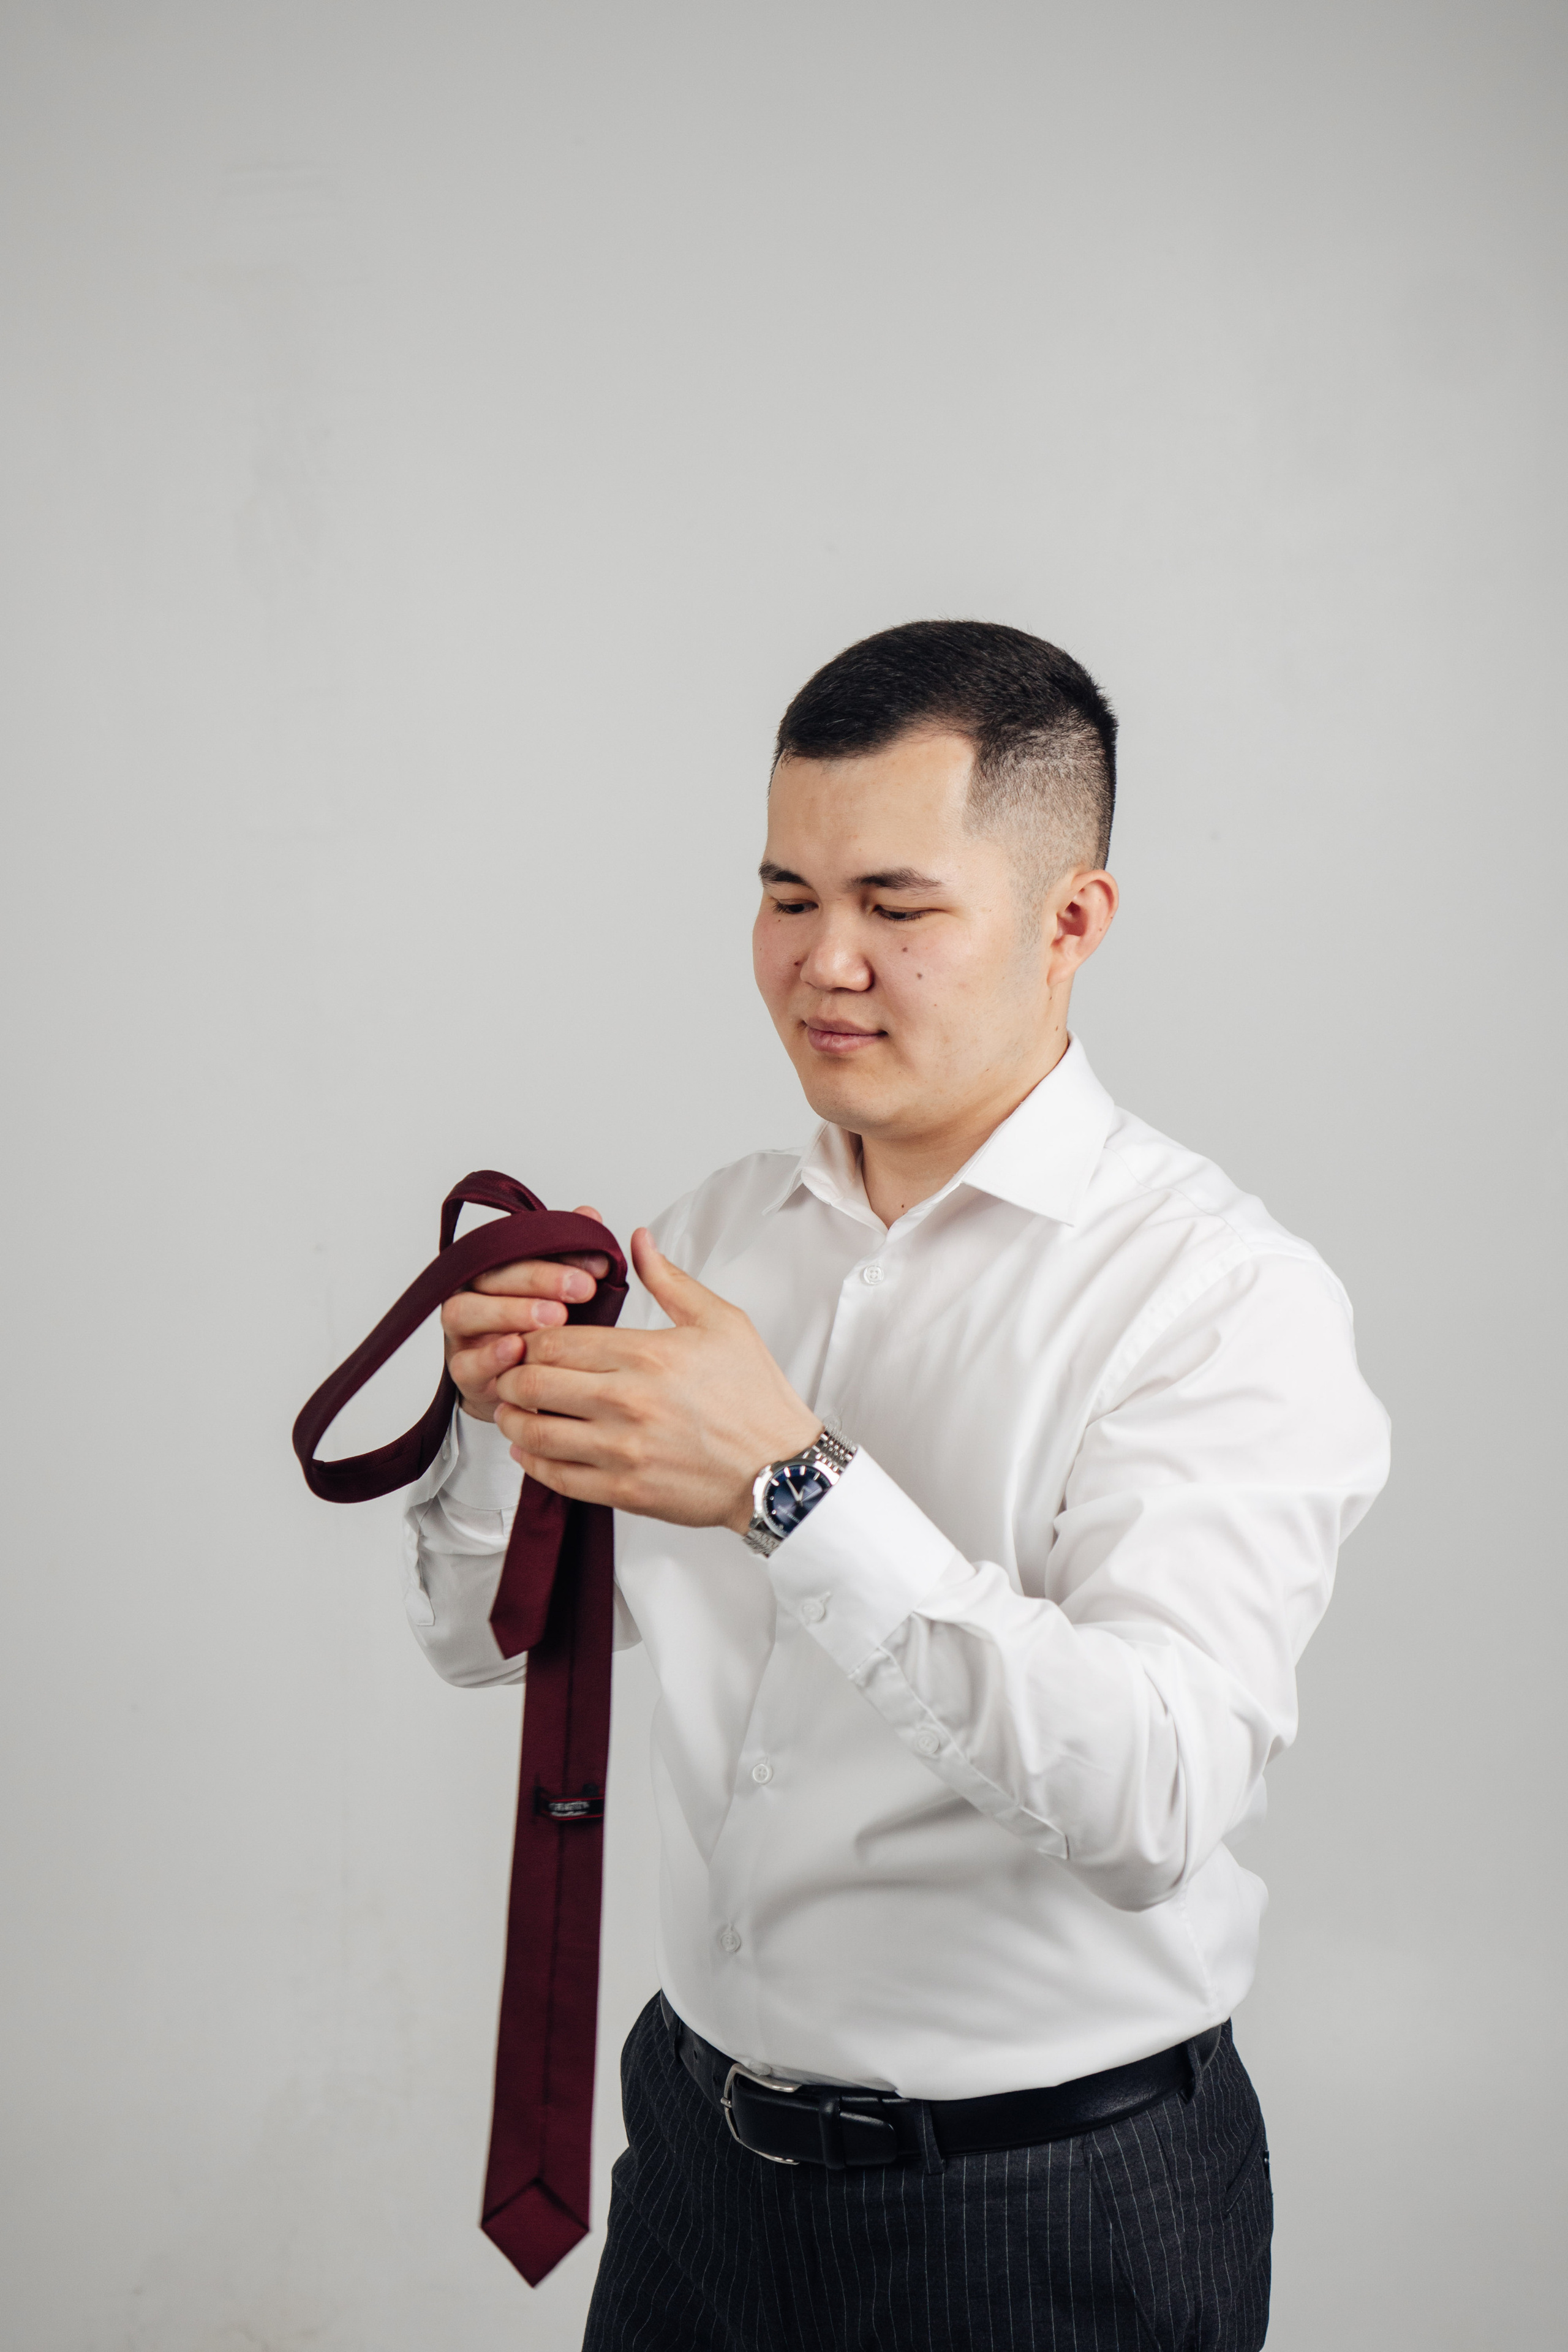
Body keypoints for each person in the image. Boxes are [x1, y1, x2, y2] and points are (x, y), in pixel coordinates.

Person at [402, 620, 1389, 2351]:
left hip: (1044, 2210)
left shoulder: (1226, 1300)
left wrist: (792, 1487)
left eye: (897, 907)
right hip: (695, 2170)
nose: (822, 964)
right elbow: (486, 1641)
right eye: (787, 897)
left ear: (1072, 920)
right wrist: (501, 1421)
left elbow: (1156, 1790)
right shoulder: (706, 1243)